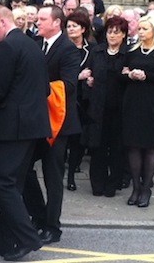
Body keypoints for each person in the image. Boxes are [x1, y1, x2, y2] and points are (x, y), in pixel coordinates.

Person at [0, 5, 50, 261]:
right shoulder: (31, 45)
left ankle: (27, 237)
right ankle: (3, 242)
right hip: (31, 125)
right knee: (12, 184)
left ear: (2, 22)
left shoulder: (8, 46)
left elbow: (0, 90)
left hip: (12, 126)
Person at [23, 5, 80, 246]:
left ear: (57, 23)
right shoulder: (36, 44)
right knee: (23, 169)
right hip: (38, 120)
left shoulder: (68, 49)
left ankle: (52, 227)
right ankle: (39, 215)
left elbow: (68, 85)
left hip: (59, 123)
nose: (38, 22)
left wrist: (37, 87)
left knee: (53, 176)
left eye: (43, 19)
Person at [121, 14, 154, 208]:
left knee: (150, 147)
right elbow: (123, 71)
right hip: (133, 103)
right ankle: (135, 186)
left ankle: (146, 189)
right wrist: (129, 74)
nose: (140, 32)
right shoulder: (132, 50)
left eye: (145, 29)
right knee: (133, 146)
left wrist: (146, 75)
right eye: (140, 28)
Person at [84, 16, 129, 197]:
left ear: (124, 35)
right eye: (110, 32)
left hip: (119, 108)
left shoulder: (128, 55)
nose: (112, 36)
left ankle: (113, 183)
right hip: (98, 107)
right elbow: (89, 73)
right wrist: (88, 79)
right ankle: (97, 183)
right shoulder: (97, 52)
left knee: (117, 148)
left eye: (116, 32)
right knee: (98, 147)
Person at [64, 11, 95, 192]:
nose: (71, 29)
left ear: (83, 29)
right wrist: (78, 76)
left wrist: (92, 78)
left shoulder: (92, 49)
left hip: (83, 99)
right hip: (65, 97)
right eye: (68, 26)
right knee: (63, 139)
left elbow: (96, 68)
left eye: (75, 26)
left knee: (78, 139)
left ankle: (71, 176)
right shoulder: (62, 47)